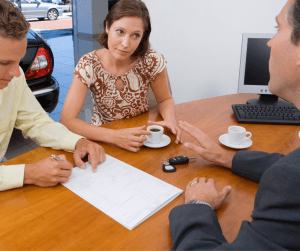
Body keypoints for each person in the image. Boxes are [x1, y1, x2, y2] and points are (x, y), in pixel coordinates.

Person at [169, 0, 300, 250]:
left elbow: (291, 175)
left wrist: (198, 206)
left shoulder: (290, 180)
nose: (269, 42)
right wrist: (224, 157)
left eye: (278, 28)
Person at [0, 0, 106, 192]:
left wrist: (78, 141)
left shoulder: (15, 78)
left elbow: (37, 122)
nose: (17, 72)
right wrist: (28, 173)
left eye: (18, 61)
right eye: (4, 63)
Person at [60, 0, 181, 153]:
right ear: (107, 27)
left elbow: (165, 99)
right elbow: (67, 121)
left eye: (135, 35)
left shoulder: (151, 60)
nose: (125, 43)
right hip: (103, 141)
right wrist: (114, 136)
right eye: (120, 31)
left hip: (141, 138)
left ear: (142, 37)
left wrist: (170, 120)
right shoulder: (88, 63)